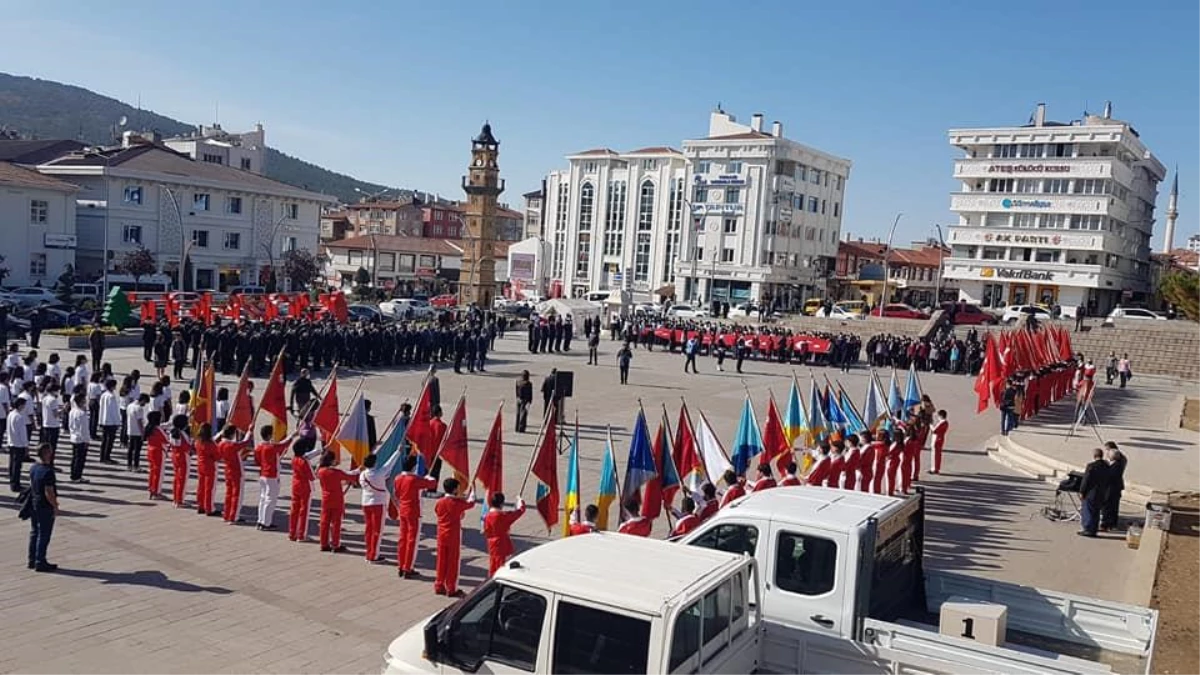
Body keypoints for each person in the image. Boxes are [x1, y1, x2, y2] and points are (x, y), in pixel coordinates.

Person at [394, 454, 437, 578]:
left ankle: (401, 565)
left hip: (402, 510)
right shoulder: (414, 479)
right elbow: (432, 484)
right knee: (412, 540)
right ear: (414, 467)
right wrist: (429, 477)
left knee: (403, 538)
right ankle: (408, 567)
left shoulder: (398, 478)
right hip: (414, 511)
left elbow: (396, 493)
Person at [434, 477, 475, 597]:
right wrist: (473, 492)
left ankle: (439, 585)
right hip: (453, 535)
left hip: (441, 535)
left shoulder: (440, 502)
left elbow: (437, 511)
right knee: (453, 562)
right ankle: (451, 588)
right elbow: (471, 503)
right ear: (454, 489)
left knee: (441, 561)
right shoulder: (457, 503)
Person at [359, 449, 403, 562]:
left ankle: (369, 552)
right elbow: (389, 464)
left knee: (369, 530)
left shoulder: (362, 475)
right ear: (374, 463)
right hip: (378, 504)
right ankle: (374, 555)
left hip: (365, 503)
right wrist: (397, 452)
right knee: (377, 531)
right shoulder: (379, 474)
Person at [316, 451, 358, 552]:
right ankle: (335, 544)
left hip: (326, 499)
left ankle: (324, 543)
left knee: (324, 522)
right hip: (337, 499)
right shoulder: (336, 472)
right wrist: (358, 470)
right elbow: (350, 476)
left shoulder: (320, 471)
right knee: (336, 523)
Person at [254, 424, 294, 531]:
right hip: (271, 475)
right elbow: (284, 445)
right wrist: (292, 436)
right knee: (270, 500)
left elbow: (257, 461)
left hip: (262, 474)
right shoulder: (271, 447)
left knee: (263, 499)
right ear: (269, 435)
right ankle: (266, 523)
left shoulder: (259, 447)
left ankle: (261, 520)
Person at [27, 442, 60, 572]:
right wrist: (55, 506)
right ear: (47, 454)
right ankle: (40, 561)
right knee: (44, 534)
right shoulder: (48, 472)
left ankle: (32, 559)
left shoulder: (34, 467)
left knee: (34, 531)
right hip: (44, 506)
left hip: (34, 502)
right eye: (50, 451)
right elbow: (49, 492)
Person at [483, 491, 527, 575]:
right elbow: (519, 512)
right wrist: (520, 502)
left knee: (493, 566)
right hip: (502, 544)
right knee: (502, 568)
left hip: (491, 544)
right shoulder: (502, 516)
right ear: (501, 504)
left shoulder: (487, 516)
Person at [288, 435, 322, 542]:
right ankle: (301, 535)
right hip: (305, 487)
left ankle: (292, 533)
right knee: (304, 511)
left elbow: (307, 456)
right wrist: (319, 465)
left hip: (295, 486)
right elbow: (312, 476)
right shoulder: (304, 462)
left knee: (294, 510)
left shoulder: (294, 459)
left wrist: (319, 451)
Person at [218, 426, 253, 524]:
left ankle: (226, 514)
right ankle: (234, 516)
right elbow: (245, 443)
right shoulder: (231, 445)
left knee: (229, 494)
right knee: (237, 495)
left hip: (228, 470)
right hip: (237, 471)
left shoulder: (221, 444)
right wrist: (249, 431)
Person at [1078, 447, 1110, 537]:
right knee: (1096, 512)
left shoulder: (1091, 466)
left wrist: (1082, 491)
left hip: (1091, 493)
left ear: (1094, 456)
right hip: (1101, 492)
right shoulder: (1106, 466)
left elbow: (1086, 480)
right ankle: (1094, 529)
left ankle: (1088, 529)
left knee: (1088, 511)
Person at [193, 423, 220, 517]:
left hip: (200, 465)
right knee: (210, 488)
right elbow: (217, 456)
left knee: (201, 486)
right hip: (210, 466)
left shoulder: (197, 441)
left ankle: (200, 505)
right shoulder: (210, 444)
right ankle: (209, 508)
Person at [1101, 442, 1126, 532]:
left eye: (1107, 450)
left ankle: (1106, 524)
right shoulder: (1118, 459)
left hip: (1112, 489)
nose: (1106, 453)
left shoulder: (1116, 465)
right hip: (1115, 487)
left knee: (1109, 506)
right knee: (1113, 507)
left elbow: (1109, 477)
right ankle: (1111, 523)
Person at [167, 420, 193, 508]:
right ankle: (180, 500)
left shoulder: (172, 432)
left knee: (176, 478)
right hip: (183, 457)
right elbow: (186, 446)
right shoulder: (182, 434)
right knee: (182, 479)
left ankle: (175, 498)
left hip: (174, 455)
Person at [66, 392, 90, 483]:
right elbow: (84, 429)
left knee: (75, 457)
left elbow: (70, 425)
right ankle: (77, 476)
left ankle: (73, 474)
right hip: (81, 439)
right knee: (80, 459)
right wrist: (86, 440)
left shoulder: (72, 411)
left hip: (74, 436)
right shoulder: (81, 413)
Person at [144, 411, 168, 499]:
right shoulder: (158, 429)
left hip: (150, 450)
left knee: (152, 471)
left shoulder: (149, 428)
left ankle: (151, 488)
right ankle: (157, 492)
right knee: (159, 473)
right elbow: (166, 439)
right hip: (158, 452)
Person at [7, 397, 28, 492]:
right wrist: (26, 445)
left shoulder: (11, 414)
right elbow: (23, 433)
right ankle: (16, 484)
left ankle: (12, 482)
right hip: (19, 444)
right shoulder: (19, 417)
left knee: (12, 464)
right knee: (17, 466)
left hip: (11, 442)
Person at [125, 393, 149, 471]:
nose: (144, 405)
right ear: (143, 400)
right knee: (137, 450)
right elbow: (140, 422)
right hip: (137, 431)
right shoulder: (139, 408)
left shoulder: (130, 406)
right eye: (145, 403)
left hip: (130, 430)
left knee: (130, 449)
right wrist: (143, 433)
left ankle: (129, 465)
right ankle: (136, 466)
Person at [930, 410, 949, 475]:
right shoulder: (945, 423)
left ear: (940, 416)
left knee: (935, 455)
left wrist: (931, 425)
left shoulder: (942, 423)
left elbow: (934, 430)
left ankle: (935, 469)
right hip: (940, 439)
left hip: (937, 439)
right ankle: (936, 468)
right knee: (937, 454)